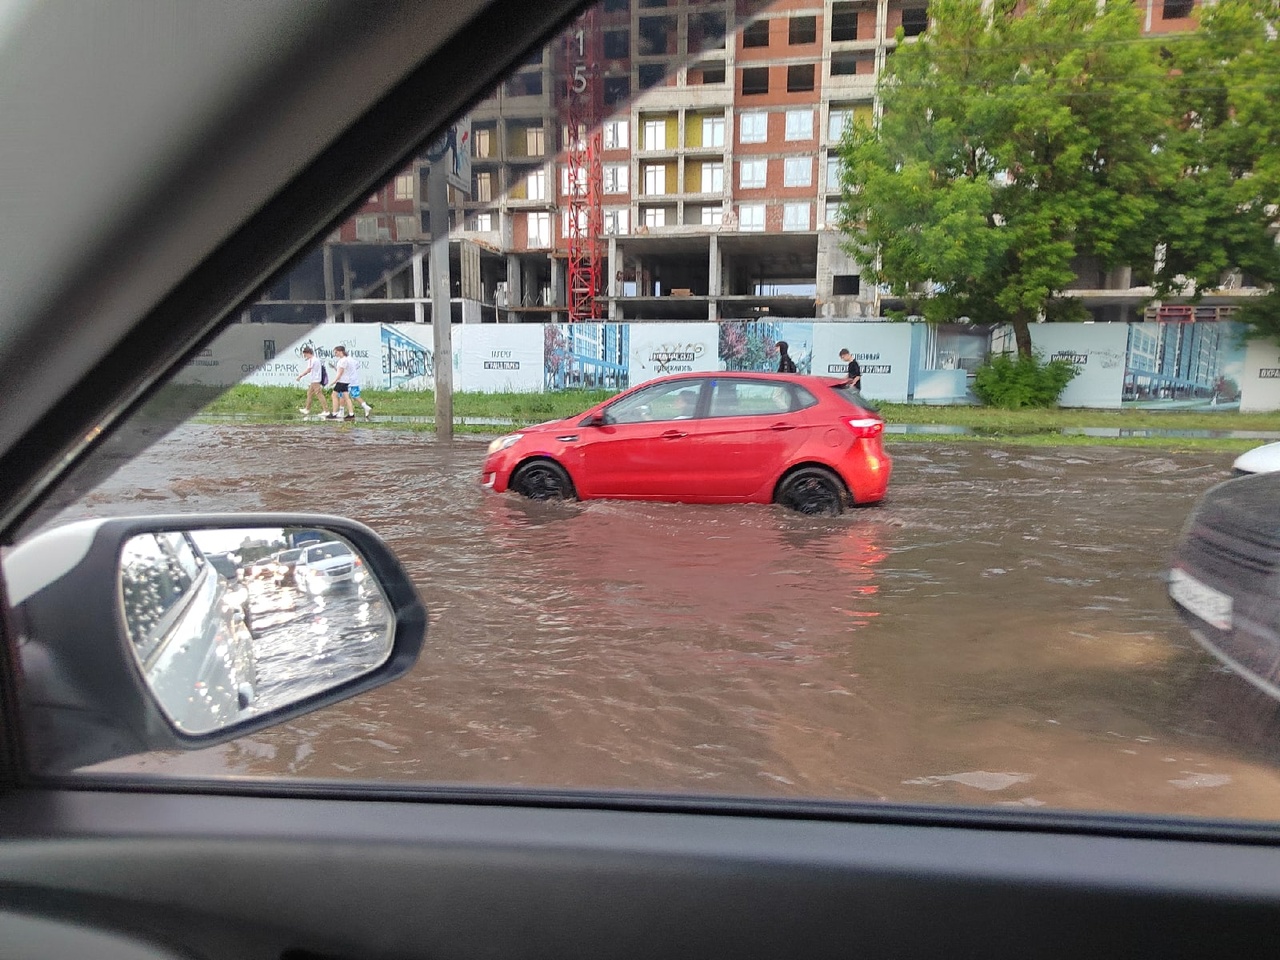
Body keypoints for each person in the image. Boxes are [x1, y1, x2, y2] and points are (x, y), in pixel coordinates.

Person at [325, 345, 372, 421]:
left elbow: (341, 372)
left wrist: (335, 381)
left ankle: (335, 413)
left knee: (335, 395)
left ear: (340, 352)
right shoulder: (349, 359)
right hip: (347, 380)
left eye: (336, 352)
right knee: (346, 397)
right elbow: (354, 367)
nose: (335, 354)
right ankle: (350, 413)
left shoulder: (343, 360)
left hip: (343, 381)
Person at [295, 346, 326, 415]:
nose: (304, 356)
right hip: (314, 379)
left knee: (319, 394)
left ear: (308, 353)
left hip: (315, 379)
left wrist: (300, 375)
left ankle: (326, 410)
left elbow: (308, 370)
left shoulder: (312, 360)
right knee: (309, 393)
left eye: (305, 354)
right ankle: (307, 409)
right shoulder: (314, 359)